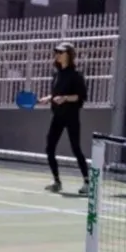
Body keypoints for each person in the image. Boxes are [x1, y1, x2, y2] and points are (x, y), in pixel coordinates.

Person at [39, 41, 90, 196]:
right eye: (57, 52)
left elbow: (81, 97)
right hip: (57, 116)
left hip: (71, 116)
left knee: (76, 149)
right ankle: (57, 181)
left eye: (61, 52)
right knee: (49, 148)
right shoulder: (56, 74)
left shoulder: (76, 75)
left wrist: (66, 98)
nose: (58, 55)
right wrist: (48, 98)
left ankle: (87, 182)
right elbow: (56, 94)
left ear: (69, 55)